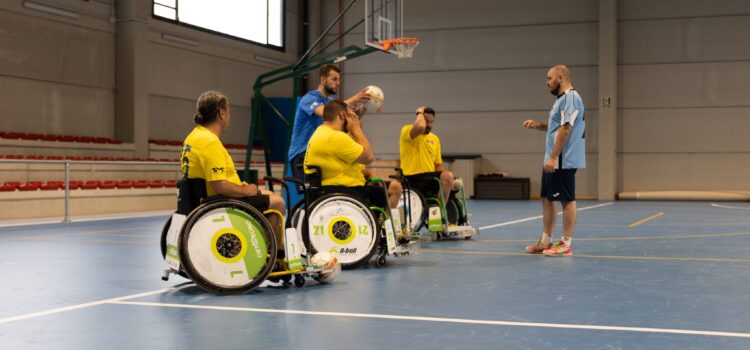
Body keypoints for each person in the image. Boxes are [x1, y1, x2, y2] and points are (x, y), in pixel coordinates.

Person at [180, 91, 286, 249]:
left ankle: (265, 245)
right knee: (278, 203)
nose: (229, 116)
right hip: (218, 200)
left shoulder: (194, 136)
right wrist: (245, 191)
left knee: (269, 195)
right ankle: (270, 255)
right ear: (221, 113)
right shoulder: (209, 142)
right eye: (228, 112)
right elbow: (220, 185)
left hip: (203, 197)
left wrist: (239, 186)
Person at [522, 65, 586, 257]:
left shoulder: (571, 99)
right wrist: (537, 125)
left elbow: (566, 129)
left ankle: (566, 244)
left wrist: (553, 156)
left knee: (567, 200)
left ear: (560, 78)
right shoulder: (560, 101)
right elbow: (556, 128)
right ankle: (546, 240)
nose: (547, 82)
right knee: (548, 198)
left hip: (562, 159)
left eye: (549, 78)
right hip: (553, 158)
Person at [304, 100, 402, 209]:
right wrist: (356, 129)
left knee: (391, 187)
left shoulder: (320, 132)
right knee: (382, 193)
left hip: (329, 188)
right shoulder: (336, 137)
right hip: (344, 190)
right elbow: (369, 157)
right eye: (349, 115)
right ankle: (382, 224)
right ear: (342, 115)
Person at [288, 64, 370, 182]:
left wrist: (366, 106)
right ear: (322, 79)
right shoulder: (309, 98)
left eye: (339, 80)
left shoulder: (331, 102)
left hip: (321, 152)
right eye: (334, 79)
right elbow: (326, 112)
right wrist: (354, 98)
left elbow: (350, 121)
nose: (338, 83)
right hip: (302, 153)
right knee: (312, 194)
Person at [399, 106, 460, 203]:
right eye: (426, 121)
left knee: (455, 182)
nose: (429, 125)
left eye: (431, 122)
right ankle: (440, 212)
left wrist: (447, 180)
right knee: (448, 176)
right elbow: (420, 127)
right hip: (412, 178)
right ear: (420, 119)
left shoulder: (435, 139)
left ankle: (441, 210)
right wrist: (419, 112)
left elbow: (438, 165)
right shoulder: (407, 131)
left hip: (429, 179)